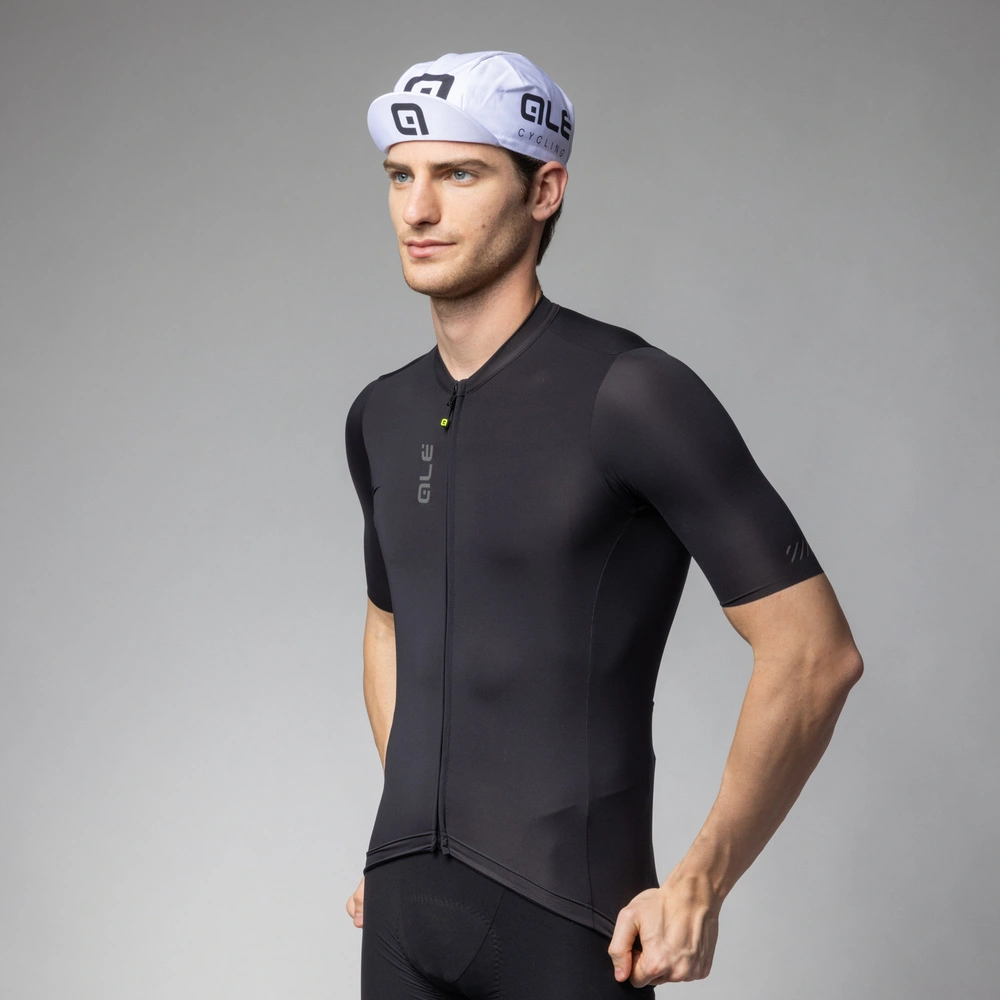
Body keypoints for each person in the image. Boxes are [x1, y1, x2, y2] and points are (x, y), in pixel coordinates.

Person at [343, 50, 863, 998]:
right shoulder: (382, 413)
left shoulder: (631, 394)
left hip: (567, 922)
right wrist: (412, 823)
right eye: (400, 175)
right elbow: (388, 626)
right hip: (404, 916)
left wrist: (701, 882)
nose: (418, 209)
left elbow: (814, 652)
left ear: (544, 190)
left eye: (459, 174)